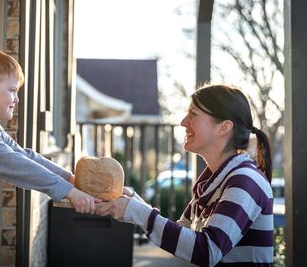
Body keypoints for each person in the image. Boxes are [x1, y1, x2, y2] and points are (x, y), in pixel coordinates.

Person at [97, 84, 274, 266]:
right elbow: (184, 242)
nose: (183, 122)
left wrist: (138, 212)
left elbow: (207, 251)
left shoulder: (245, 181)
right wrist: (134, 202)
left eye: (193, 114)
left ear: (223, 128)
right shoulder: (211, 183)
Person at [0, 45, 101, 214]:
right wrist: (70, 191)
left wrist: (71, 179)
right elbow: (18, 164)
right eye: (12, 90)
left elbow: (25, 155)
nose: (17, 99)